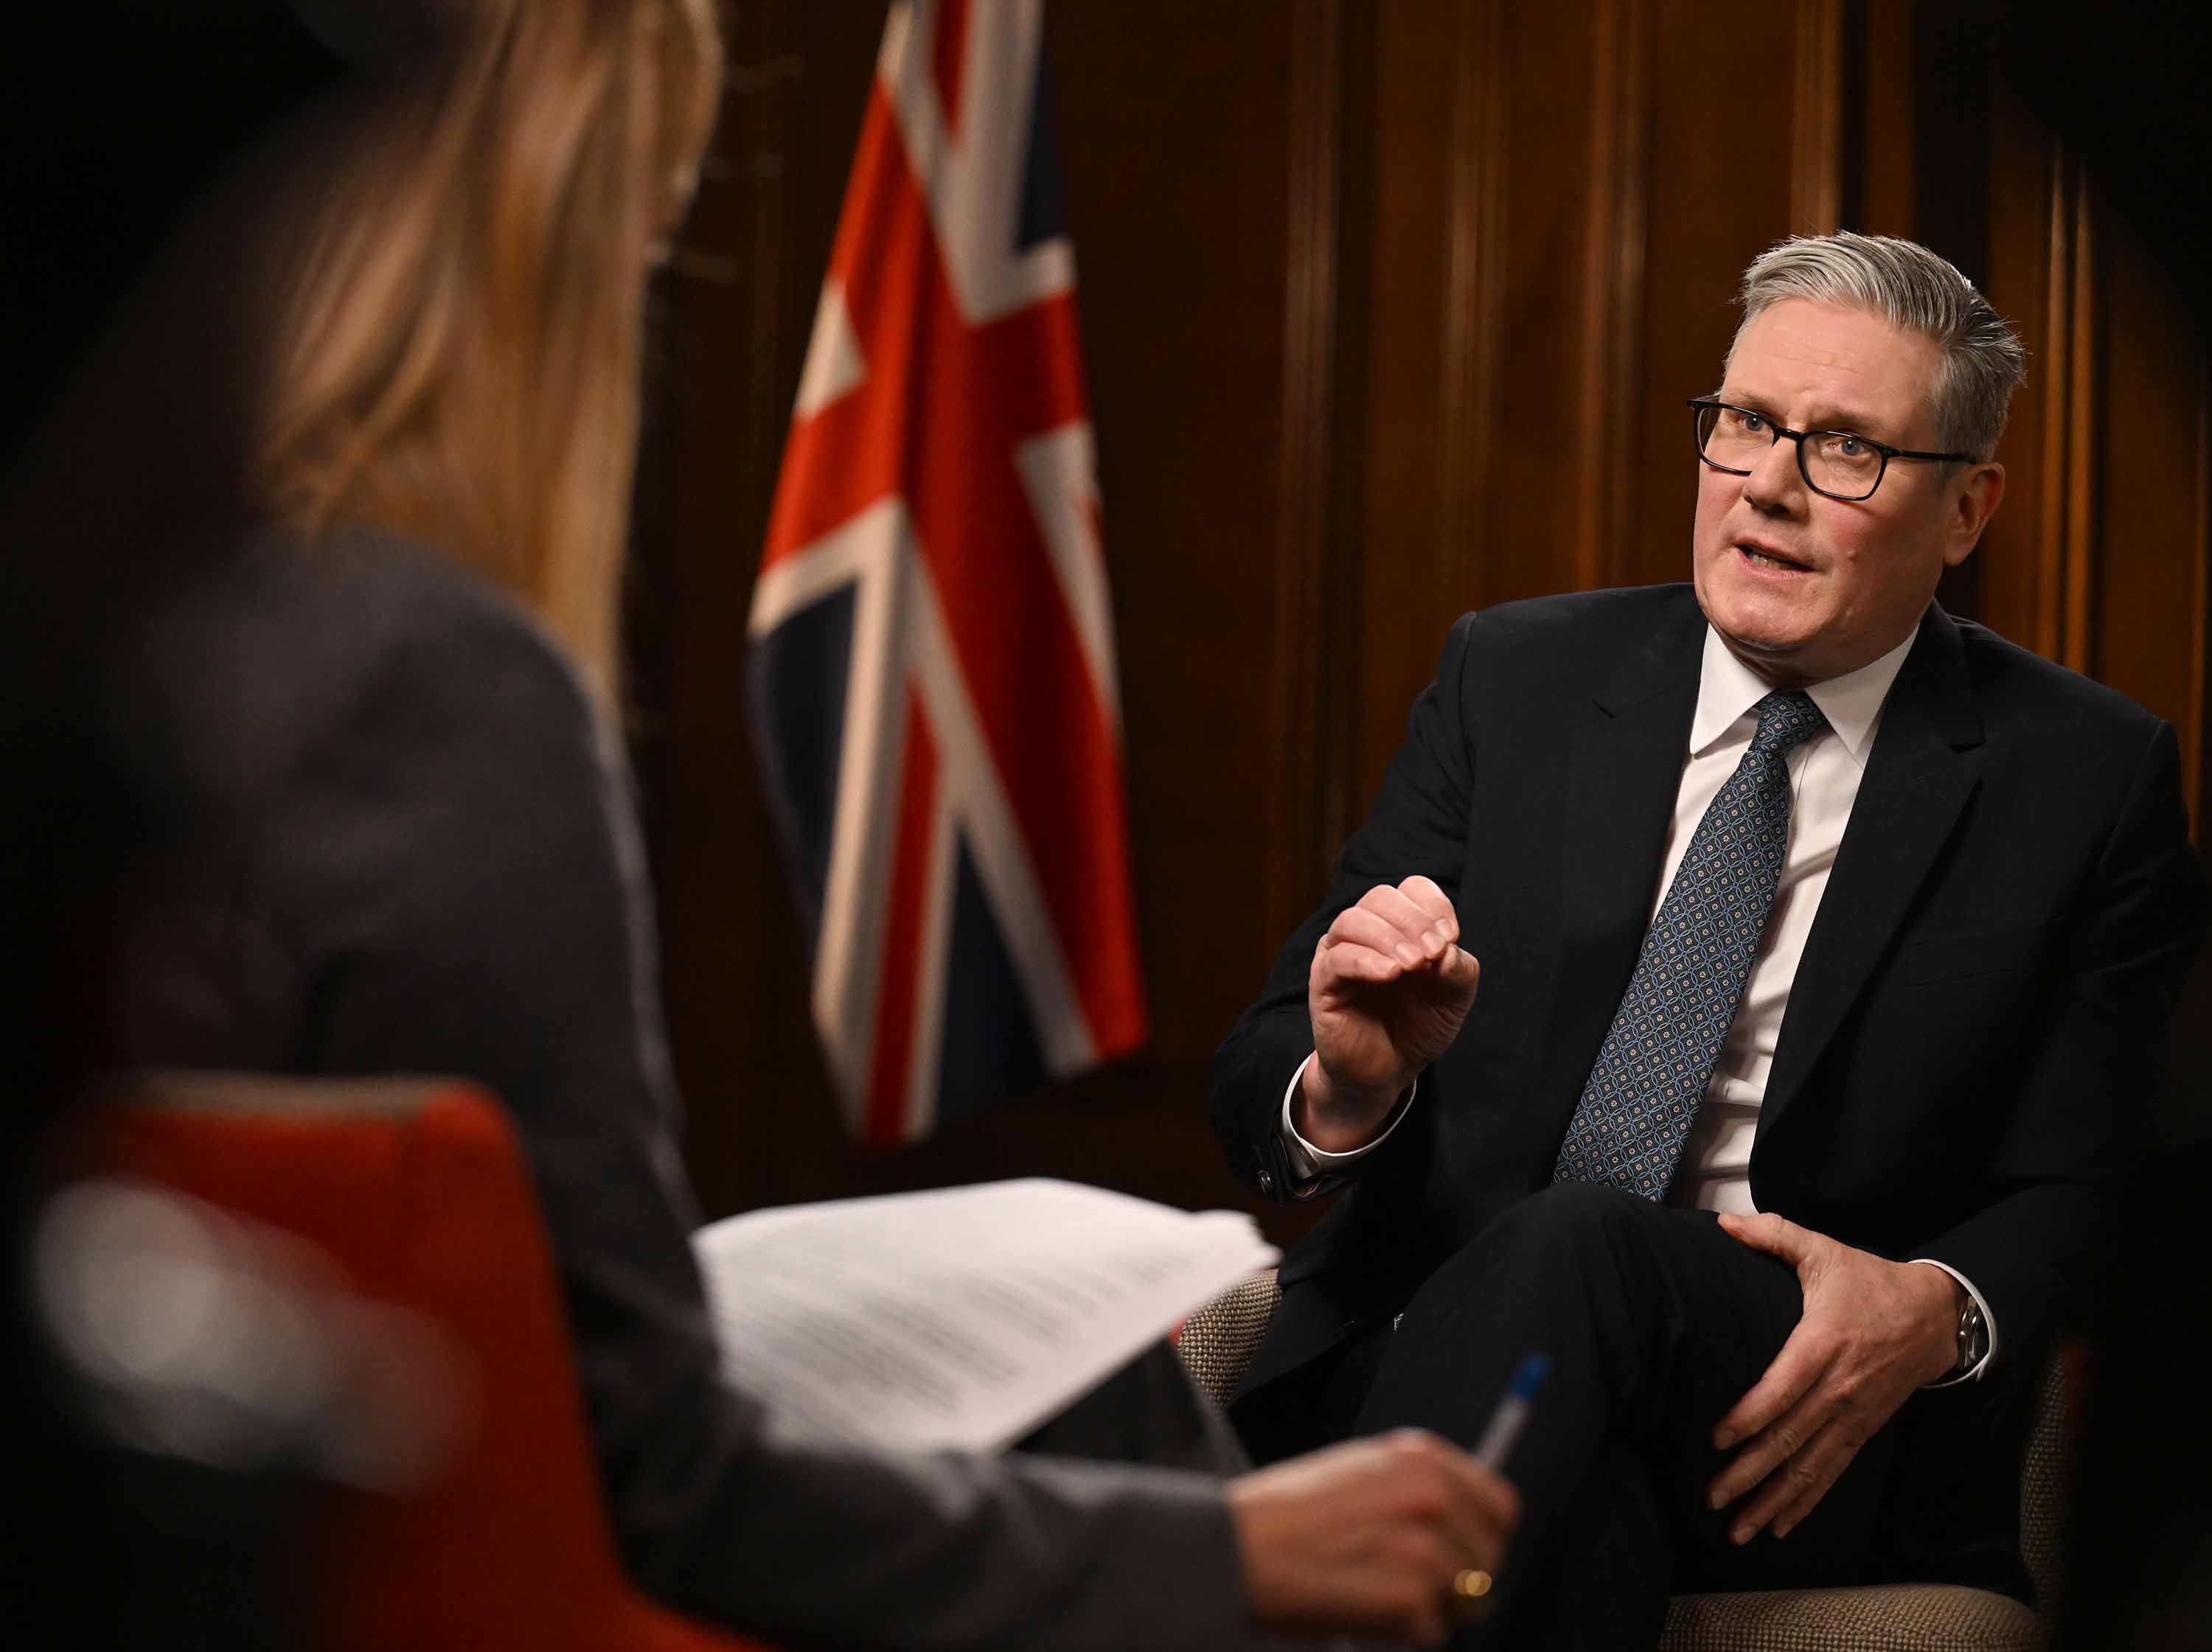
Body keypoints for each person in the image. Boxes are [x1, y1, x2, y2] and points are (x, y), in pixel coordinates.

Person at [85, 2, 1517, 1649]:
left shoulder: (152, 646)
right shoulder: (429, 684)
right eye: (650, 251)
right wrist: (1229, 1555)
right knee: (1114, 1422)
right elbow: (666, 1480)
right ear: (544, 232)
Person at [1211, 231, 2208, 1648]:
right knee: (1578, 1516)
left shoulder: (2084, 779)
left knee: (1593, 1248)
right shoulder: (1517, 680)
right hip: (1441, 1356)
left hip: (1788, 1416)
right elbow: (1258, 1087)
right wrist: (1351, 1083)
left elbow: (2099, 1182)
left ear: (1969, 508)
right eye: (1745, 421)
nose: (1770, 486)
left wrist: (1938, 1302)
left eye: (1847, 447)